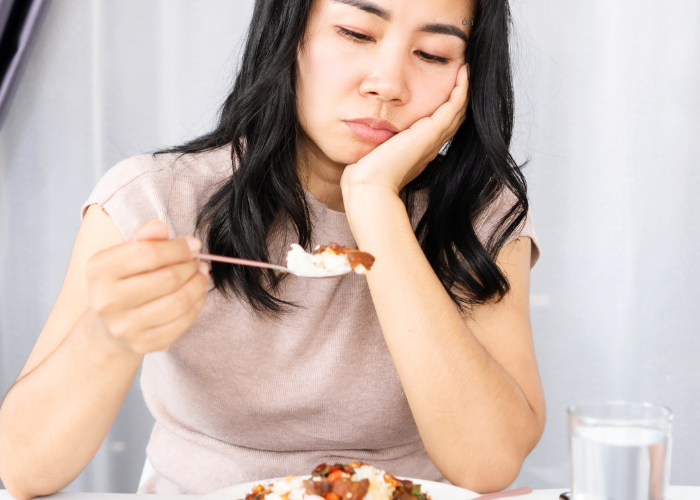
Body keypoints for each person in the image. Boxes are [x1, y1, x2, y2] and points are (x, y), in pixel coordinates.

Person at [0, 0, 546, 497]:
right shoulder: (157, 199)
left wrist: (376, 202)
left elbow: (489, 465)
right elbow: (22, 469)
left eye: (432, 53)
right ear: (289, 31)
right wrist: (106, 336)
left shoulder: (481, 215)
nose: (388, 83)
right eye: (356, 33)